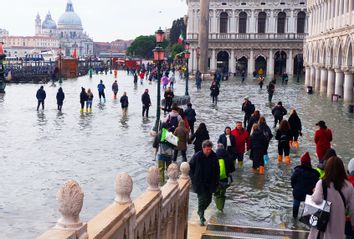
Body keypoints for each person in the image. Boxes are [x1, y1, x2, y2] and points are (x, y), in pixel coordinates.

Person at [308, 156, 354, 239]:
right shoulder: (349, 186)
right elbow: (353, 209)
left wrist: (315, 192)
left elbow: (317, 199)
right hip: (338, 228)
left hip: (322, 227)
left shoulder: (322, 183)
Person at [189, 140, 220, 226]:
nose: (209, 151)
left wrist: (217, 181)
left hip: (210, 182)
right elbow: (190, 167)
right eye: (207, 149)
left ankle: (200, 210)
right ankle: (201, 217)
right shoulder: (197, 156)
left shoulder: (214, 156)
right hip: (199, 182)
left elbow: (217, 170)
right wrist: (193, 178)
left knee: (209, 200)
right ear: (203, 148)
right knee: (201, 199)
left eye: (210, 149)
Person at [291, 151, 320, 219]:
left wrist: (294, 187)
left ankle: (294, 218)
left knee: (296, 205)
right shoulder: (315, 174)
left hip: (298, 193)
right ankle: (306, 220)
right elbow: (316, 185)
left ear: (301, 162)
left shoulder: (297, 171)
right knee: (307, 208)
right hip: (308, 194)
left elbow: (293, 180)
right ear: (309, 163)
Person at [214, 144, 235, 212]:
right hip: (225, 178)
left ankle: (218, 207)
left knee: (216, 193)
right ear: (224, 148)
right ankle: (221, 208)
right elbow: (232, 169)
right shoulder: (228, 156)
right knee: (222, 193)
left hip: (216, 178)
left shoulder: (214, 156)